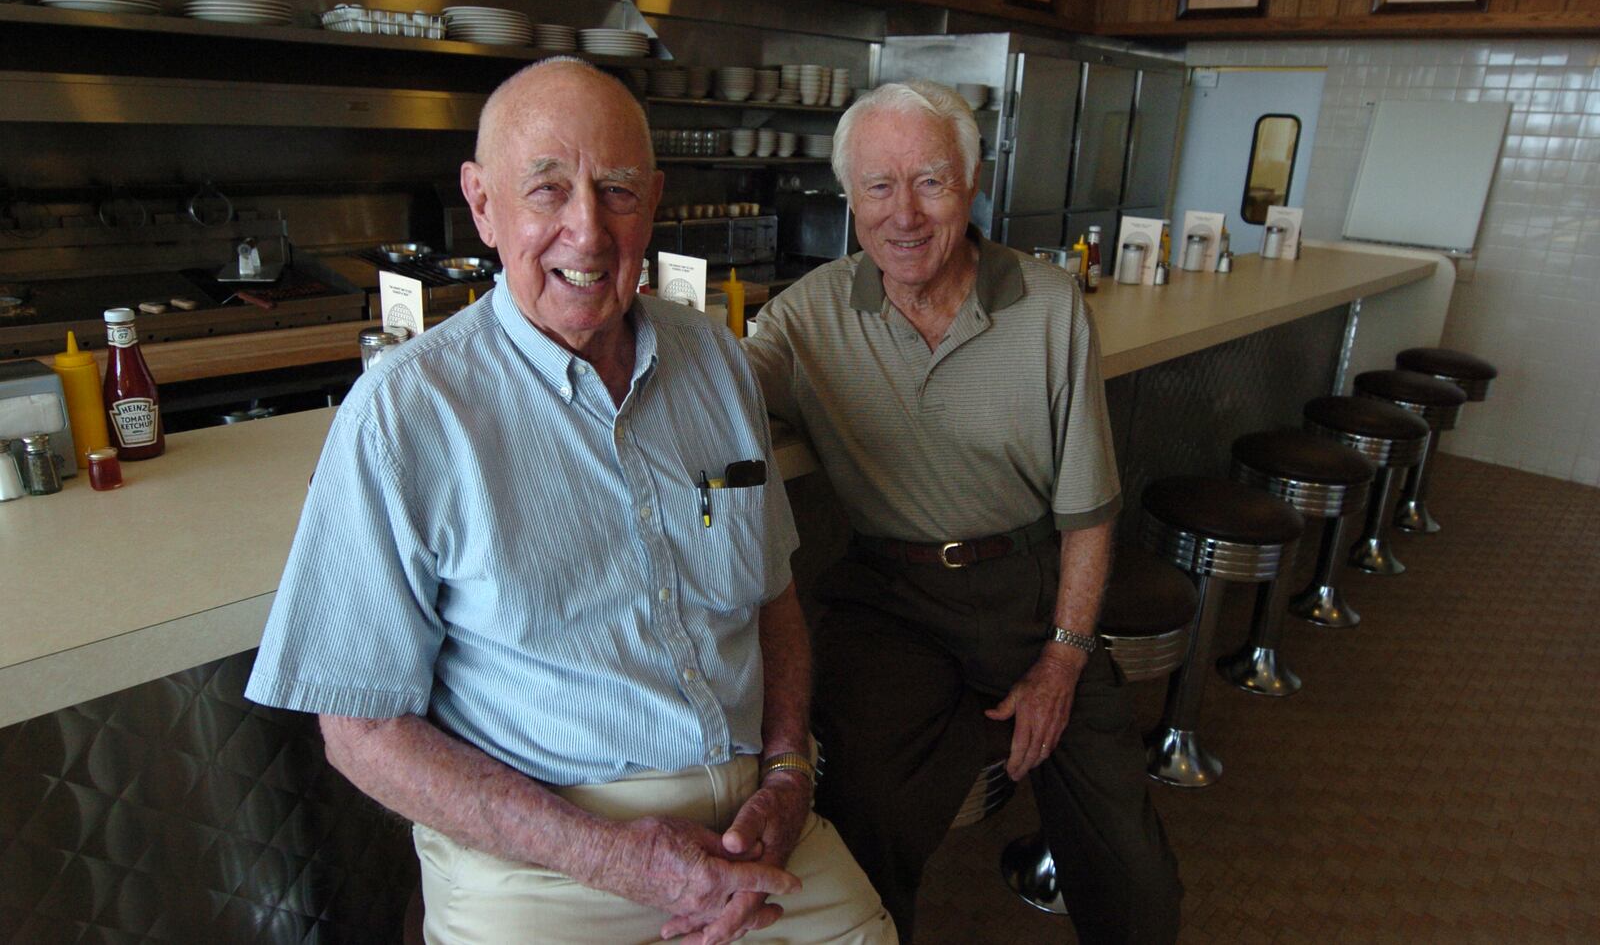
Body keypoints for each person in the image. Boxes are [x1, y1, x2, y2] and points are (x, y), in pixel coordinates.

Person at [245, 59, 894, 945]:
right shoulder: (407, 413)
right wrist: (620, 860)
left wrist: (788, 772)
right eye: (547, 190)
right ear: (481, 205)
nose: (587, 232)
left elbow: (772, 599)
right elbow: (360, 731)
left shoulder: (718, 364)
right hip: (543, 858)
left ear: (654, 201)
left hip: (755, 823)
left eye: (617, 190)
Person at [742, 80, 1182, 943]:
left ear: (972, 184)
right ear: (850, 198)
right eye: (878, 186)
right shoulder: (806, 317)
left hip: (1034, 592)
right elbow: (710, 404)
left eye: (930, 182)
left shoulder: (1050, 305)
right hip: (892, 599)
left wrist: (1061, 662)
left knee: (1130, 866)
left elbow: (1088, 515)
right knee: (862, 816)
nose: (903, 214)